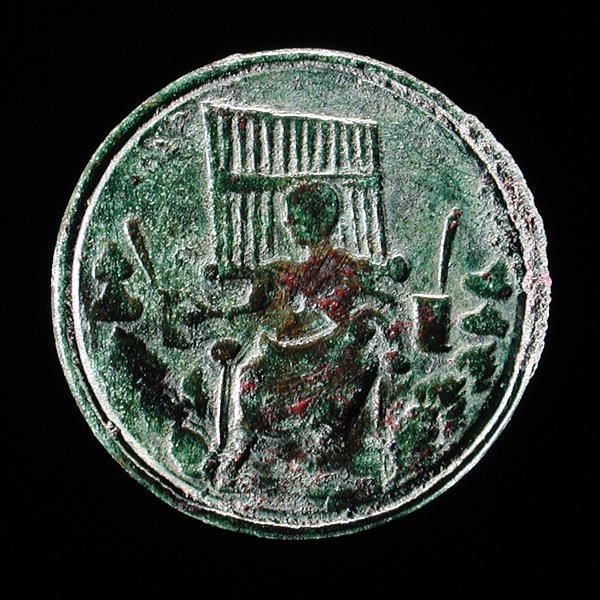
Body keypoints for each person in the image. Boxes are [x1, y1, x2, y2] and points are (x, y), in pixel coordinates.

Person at [209, 182, 409, 489]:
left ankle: (254, 453)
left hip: (330, 358)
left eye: (295, 218)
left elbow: (382, 297)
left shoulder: (344, 268)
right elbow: (270, 291)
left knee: (256, 378)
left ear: (316, 223)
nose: (287, 222)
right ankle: (239, 452)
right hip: (293, 354)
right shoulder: (298, 270)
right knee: (250, 373)